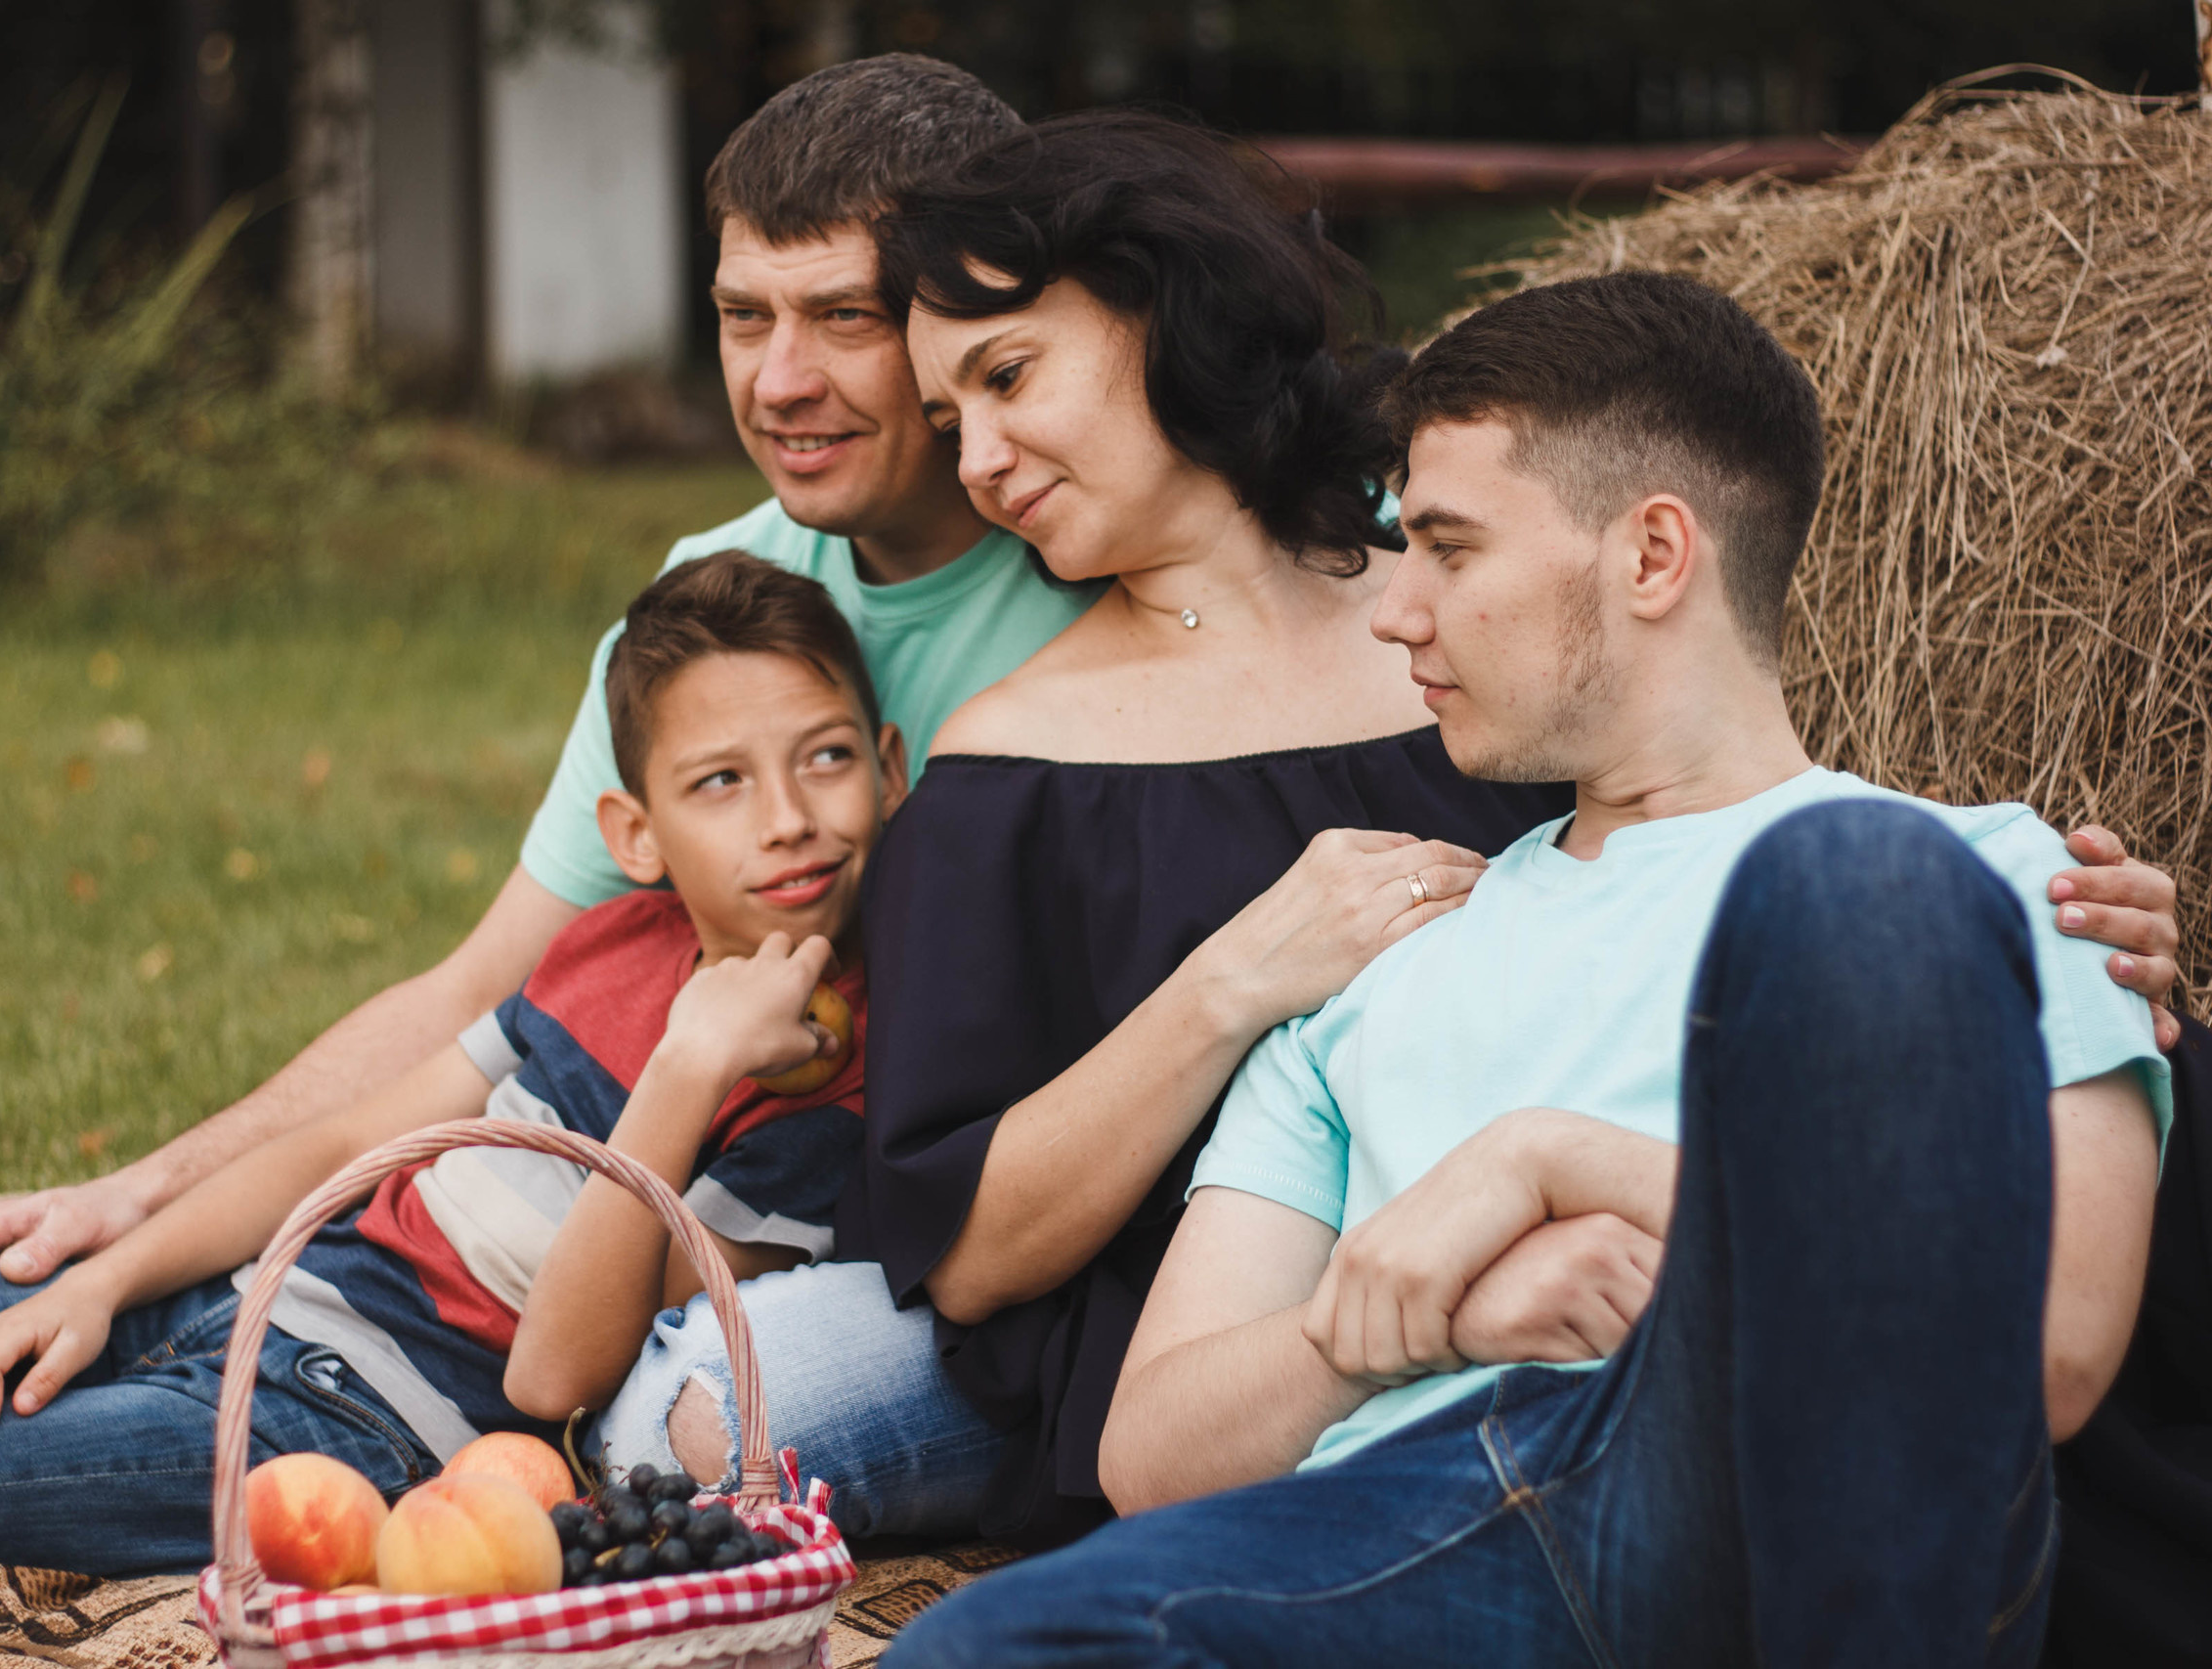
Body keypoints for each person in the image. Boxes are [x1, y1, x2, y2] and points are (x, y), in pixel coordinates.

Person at [789, 110, 2183, 1550]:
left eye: (1011, 377)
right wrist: (1237, 985)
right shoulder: (1013, 767)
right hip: (1260, 1363)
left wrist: (2033, 926)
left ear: (1160, 315)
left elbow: (1717, 813)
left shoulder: (1496, 616)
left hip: (1661, 1363)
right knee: (724, 1430)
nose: (982, 459)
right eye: (952, 423)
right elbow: (973, 1257)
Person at [0, 53, 1092, 1291]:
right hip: (530, 1248)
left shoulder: (1101, 599)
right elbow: (480, 983)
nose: (778, 382)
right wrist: (140, 1192)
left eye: (843, 315)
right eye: (741, 317)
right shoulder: (719, 593)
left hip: (860, 1272)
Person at [0, 554, 899, 1590]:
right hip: (245, 1289)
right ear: (634, 834)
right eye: (721, 782)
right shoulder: (612, 945)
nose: (787, 818)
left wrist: (691, 1064)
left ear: (890, 768)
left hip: (344, 1429)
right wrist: (102, 1282)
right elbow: (344, 1152)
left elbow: (550, 1375)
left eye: (825, 758)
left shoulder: (839, 1103)